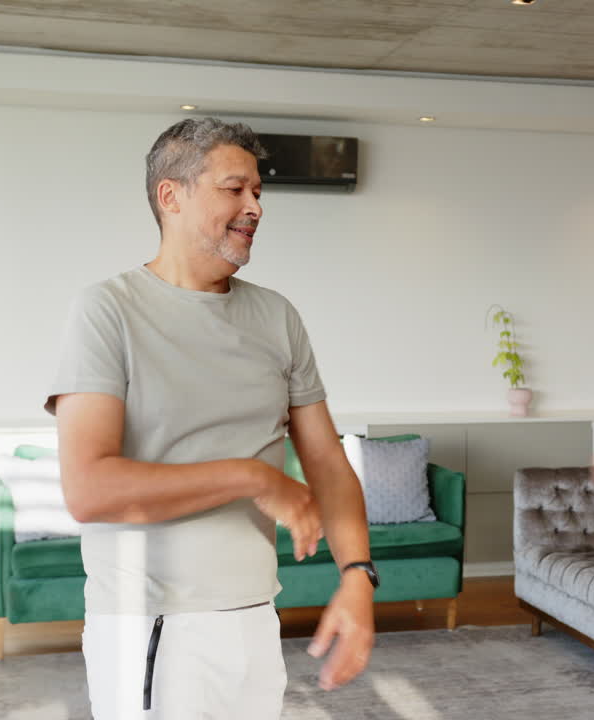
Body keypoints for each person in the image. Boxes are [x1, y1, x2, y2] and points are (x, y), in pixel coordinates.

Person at [46, 118, 376, 719]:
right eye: (235, 189)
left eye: (258, 192)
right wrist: (254, 478)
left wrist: (358, 575)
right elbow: (89, 490)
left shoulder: (277, 317)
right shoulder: (107, 311)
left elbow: (327, 461)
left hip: (254, 616)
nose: (255, 206)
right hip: (151, 624)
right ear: (170, 196)